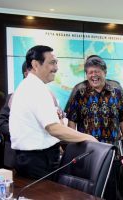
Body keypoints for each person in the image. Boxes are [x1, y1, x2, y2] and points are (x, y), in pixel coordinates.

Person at [9, 45, 97, 179]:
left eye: (56, 63)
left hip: (31, 159)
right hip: (38, 161)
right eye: (52, 63)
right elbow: (54, 129)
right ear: (35, 64)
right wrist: (89, 138)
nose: (56, 68)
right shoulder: (35, 89)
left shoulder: (29, 86)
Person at [64, 55, 123, 200]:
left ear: (105, 72)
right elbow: (71, 121)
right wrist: (72, 148)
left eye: (97, 71)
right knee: (91, 190)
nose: (93, 75)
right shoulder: (79, 91)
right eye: (90, 72)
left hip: (113, 150)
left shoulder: (116, 89)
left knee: (116, 190)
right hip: (89, 151)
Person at [0, 61, 29, 168]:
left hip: (39, 158)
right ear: (26, 74)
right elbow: (1, 123)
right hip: (15, 156)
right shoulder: (14, 97)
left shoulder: (46, 97)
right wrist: (20, 132)